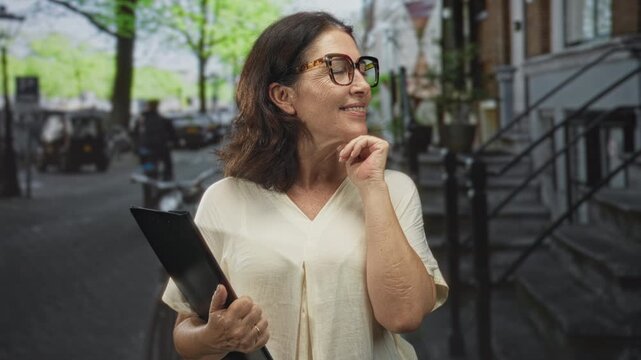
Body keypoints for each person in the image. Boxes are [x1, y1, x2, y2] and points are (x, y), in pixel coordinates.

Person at [161, 11, 448, 359]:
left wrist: (373, 190)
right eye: (338, 69)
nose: (360, 85)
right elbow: (185, 335)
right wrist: (215, 335)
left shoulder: (393, 189)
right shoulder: (226, 199)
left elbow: (403, 315)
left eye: (361, 69)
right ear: (284, 96)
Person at [132, 99, 176, 180]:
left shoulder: (141, 119)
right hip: (160, 147)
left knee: (144, 163)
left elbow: (134, 133)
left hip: (145, 147)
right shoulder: (162, 119)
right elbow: (172, 133)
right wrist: (174, 142)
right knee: (167, 162)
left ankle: (146, 174)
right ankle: (167, 177)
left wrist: (136, 147)